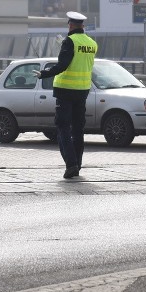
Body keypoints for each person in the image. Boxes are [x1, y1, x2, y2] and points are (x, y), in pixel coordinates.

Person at [33, 11, 97, 179]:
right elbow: (79, 59)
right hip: (83, 90)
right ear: (82, 25)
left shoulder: (70, 41)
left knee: (62, 127)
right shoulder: (91, 43)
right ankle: (78, 163)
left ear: (70, 24)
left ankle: (71, 164)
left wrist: (43, 74)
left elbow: (63, 65)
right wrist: (65, 44)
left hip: (66, 89)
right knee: (78, 129)